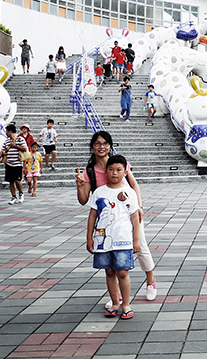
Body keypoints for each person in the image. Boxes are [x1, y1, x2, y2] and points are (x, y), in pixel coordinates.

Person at [76, 131, 157, 304]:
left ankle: (151, 281)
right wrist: (80, 186)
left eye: (105, 143)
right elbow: (84, 200)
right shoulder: (90, 170)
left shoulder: (120, 163)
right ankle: (117, 297)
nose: (101, 147)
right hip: (108, 219)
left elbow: (134, 184)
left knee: (140, 245)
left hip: (129, 211)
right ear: (92, 147)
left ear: (110, 146)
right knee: (111, 253)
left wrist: (139, 206)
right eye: (97, 143)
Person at [86, 154, 140, 320]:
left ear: (125, 172)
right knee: (109, 271)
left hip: (123, 239)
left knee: (122, 272)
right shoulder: (99, 192)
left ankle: (126, 305)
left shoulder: (129, 192)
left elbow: (135, 217)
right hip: (103, 240)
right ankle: (115, 302)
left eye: (118, 170)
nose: (114, 173)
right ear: (105, 171)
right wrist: (89, 238)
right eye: (111, 169)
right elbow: (92, 216)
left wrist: (136, 240)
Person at [0, 123, 27, 204]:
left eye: (6, 131)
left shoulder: (20, 139)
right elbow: (2, 151)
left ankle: (21, 193)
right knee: (11, 181)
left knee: (17, 180)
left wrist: (15, 146)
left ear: (10, 131)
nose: (6, 133)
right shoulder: (6, 141)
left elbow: (25, 149)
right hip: (9, 163)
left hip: (17, 163)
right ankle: (13, 196)